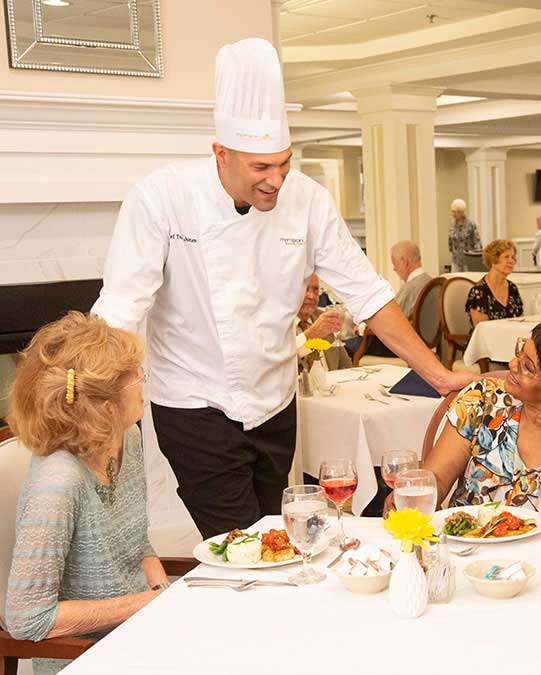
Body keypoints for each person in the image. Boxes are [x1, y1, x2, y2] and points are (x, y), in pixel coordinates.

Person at [91, 38, 473, 538]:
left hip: (275, 401)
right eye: (261, 167)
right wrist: (92, 398)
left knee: (275, 533)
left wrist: (438, 375)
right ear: (221, 154)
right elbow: (123, 305)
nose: (277, 180)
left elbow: (368, 294)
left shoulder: (308, 200)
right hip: (193, 401)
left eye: (284, 163)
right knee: (240, 540)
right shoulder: (162, 197)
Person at [5, 313, 165, 675]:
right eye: (134, 374)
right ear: (105, 407)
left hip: (142, 635)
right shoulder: (57, 482)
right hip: (88, 658)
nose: (143, 379)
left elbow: (137, 545)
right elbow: (27, 618)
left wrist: (162, 592)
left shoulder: (127, 438)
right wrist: (147, 604)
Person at [397, 313, 541, 523]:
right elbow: (437, 478)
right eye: (520, 351)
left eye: (527, 366)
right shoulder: (481, 401)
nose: (512, 364)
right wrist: (416, 497)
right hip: (466, 546)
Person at [296, 273, 352, 371]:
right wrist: (310, 335)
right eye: (304, 289)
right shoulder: (276, 324)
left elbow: (345, 365)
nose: (311, 296)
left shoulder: (324, 318)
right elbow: (277, 363)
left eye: (315, 290)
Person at [465, 239, 524, 327]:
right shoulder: (479, 291)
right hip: (488, 335)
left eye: (513, 257)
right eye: (506, 257)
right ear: (493, 260)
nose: (511, 261)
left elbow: (521, 321)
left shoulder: (512, 288)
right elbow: (482, 330)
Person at [391, 240, 432, 320]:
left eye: (394, 264)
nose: (394, 269)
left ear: (404, 262)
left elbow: (392, 320)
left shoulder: (409, 289)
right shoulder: (433, 283)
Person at [448, 198, 481, 272]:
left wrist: (476, 257)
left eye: (457, 212)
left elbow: (477, 241)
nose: (454, 214)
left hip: (468, 259)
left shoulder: (471, 224)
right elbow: (450, 241)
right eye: (453, 211)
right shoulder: (452, 224)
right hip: (456, 259)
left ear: (462, 212)